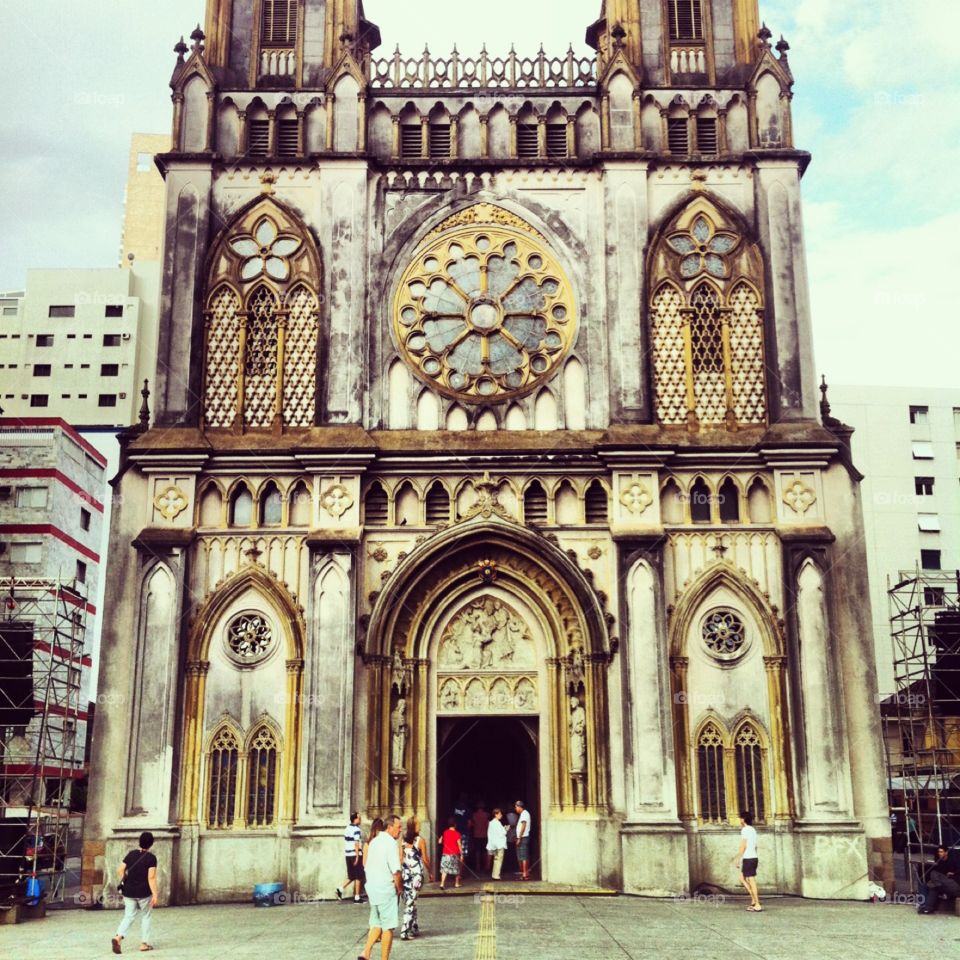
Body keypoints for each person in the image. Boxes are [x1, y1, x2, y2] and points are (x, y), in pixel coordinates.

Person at [358, 814, 403, 960]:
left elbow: (368, 866)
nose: (400, 830)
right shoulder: (390, 844)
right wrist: (399, 888)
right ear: (390, 828)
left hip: (373, 888)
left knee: (377, 922)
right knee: (388, 927)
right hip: (386, 888)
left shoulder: (374, 841)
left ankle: (366, 952)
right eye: (398, 827)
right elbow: (396, 871)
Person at [111, 831, 159, 955]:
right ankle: (144, 943)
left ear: (139, 841)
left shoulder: (131, 854)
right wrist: (155, 894)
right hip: (144, 892)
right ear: (151, 844)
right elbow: (151, 877)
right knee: (146, 916)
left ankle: (118, 937)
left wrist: (126, 881)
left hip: (129, 891)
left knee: (129, 916)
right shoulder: (151, 858)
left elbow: (120, 870)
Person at [399, 816, 429, 941]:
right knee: (411, 902)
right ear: (415, 826)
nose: (420, 825)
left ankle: (414, 927)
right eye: (418, 824)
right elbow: (425, 859)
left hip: (406, 874)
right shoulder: (420, 840)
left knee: (411, 899)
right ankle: (404, 931)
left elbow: (400, 859)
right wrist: (431, 872)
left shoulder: (403, 841)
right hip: (417, 875)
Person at [732, 811, 762, 912]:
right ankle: (753, 900)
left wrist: (737, 858)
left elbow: (743, 845)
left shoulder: (745, 830)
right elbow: (755, 845)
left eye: (740, 818)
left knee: (751, 881)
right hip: (753, 857)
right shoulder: (753, 830)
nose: (739, 820)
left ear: (743, 819)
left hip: (749, 858)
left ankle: (757, 904)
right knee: (742, 878)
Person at [918, 845, 960, 914]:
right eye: (938, 852)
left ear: (946, 853)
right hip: (944, 883)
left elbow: (956, 874)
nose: (939, 853)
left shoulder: (953, 861)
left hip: (955, 885)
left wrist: (953, 875)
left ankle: (928, 907)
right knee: (931, 886)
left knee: (934, 874)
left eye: (941, 852)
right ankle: (927, 908)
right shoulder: (939, 862)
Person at [337, 812, 365, 904]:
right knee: (359, 876)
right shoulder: (356, 829)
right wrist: (357, 857)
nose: (360, 820)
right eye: (359, 818)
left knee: (351, 875)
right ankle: (357, 897)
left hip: (348, 855)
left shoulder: (347, 828)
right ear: (355, 819)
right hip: (354, 854)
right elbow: (356, 843)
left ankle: (340, 889)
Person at [439, 816, 463, 890]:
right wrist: (461, 854)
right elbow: (459, 844)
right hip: (454, 854)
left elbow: (439, 842)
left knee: (444, 869)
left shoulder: (445, 832)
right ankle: (456, 883)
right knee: (457, 869)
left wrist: (441, 839)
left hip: (445, 854)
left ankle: (442, 884)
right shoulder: (457, 833)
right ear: (455, 824)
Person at [486, 808, 508, 880]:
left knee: (496, 859)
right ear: (496, 814)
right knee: (499, 859)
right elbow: (502, 833)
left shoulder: (491, 823)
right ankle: (496, 875)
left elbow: (490, 834)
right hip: (499, 844)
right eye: (500, 814)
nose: (501, 815)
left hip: (494, 844)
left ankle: (494, 874)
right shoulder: (497, 823)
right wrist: (506, 829)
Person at [514, 800, 532, 880]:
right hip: (522, 837)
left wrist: (519, 838)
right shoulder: (523, 814)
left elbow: (523, 826)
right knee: (522, 855)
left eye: (516, 807)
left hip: (523, 838)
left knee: (523, 856)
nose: (515, 809)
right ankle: (525, 873)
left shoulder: (524, 814)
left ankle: (525, 874)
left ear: (519, 806)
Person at [470, 802, 490, 871]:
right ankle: (485, 865)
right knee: (484, 851)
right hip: (484, 835)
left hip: (476, 834)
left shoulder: (474, 815)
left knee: (477, 851)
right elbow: (487, 825)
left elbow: (471, 824)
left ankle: (477, 865)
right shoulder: (486, 815)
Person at [453, 794, 470, 865]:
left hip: (455, 833)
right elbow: (469, 822)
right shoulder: (467, 809)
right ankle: (460, 873)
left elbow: (451, 819)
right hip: (464, 833)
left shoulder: (454, 808)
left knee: (454, 851)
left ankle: (455, 869)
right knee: (462, 853)